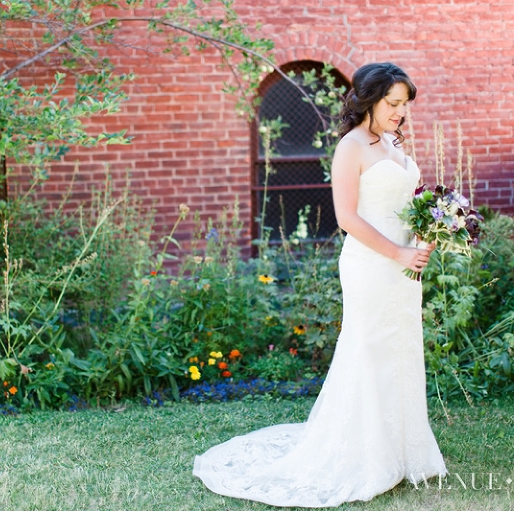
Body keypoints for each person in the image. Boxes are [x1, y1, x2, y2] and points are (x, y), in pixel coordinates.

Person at [192, 62, 447, 508]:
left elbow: (413, 201)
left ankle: (404, 451)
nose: (401, 112)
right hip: (372, 263)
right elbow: (347, 218)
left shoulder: (392, 142)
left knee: (402, 348)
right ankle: (365, 456)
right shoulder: (352, 146)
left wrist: (429, 231)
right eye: (393, 103)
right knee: (368, 348)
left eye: (405, 104)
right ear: (369, 100)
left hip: (407, 264)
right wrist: (399, 252)